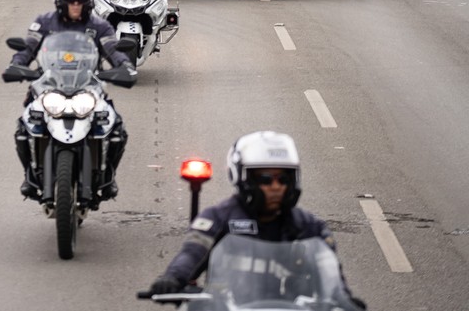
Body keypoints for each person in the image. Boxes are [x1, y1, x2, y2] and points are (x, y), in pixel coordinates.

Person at [148, 131, 364, 310]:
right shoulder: (217, 218)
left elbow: (330, 273)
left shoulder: (309, 226)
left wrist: (343, 298)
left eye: (284, 178)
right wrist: (172, 278)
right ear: (242, 177)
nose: (276, 186)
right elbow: (191, 253)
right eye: (265, 179)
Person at [8, 0, 135, 199]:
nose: (75, 4)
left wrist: (125, 67)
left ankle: (108, 177)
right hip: (48, 87)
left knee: (117, 128)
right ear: (59, 0)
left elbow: (114, 51)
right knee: (24, 127)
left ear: (89, 2)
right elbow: (27, 49)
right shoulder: (44, 22)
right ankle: (30, 175)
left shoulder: (99, 26)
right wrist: (16, 65)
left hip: (88, 88)